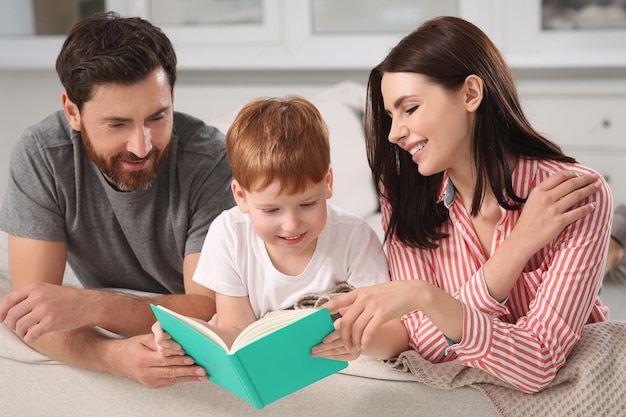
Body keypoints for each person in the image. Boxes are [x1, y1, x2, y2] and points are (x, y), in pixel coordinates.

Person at [311, 16, 612, 393]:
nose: (393, 132)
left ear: (471, 94)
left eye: (410, 108)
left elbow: (537, 364)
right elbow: (426, 348)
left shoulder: (576, 195)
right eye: (390, 115)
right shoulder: (403, 194)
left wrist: (430, 301)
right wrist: (513, 252)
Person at [0, 12, 235, 387]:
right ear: (72, 111)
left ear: (172, 96)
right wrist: (111, 356)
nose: (141, 145)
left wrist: (92, 305)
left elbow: (206, 309)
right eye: (117, 124)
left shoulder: (210, 161)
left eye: (157, 117)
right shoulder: (42, 154)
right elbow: (32, 315)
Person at [152, 96, 391, 358]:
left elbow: (392, 329)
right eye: (271, 210)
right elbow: (235, 331)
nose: (291, 225)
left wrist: (356, 341)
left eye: (307, 204)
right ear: (241, 197)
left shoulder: (355, 237)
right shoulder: (228, 234)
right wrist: (185, 334)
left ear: (328, 183)